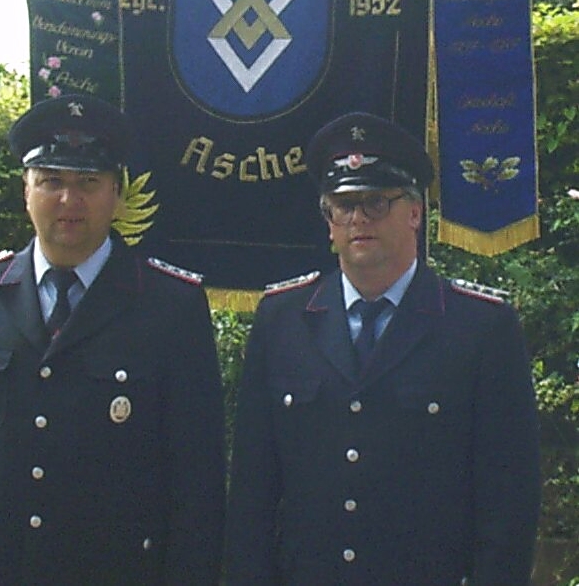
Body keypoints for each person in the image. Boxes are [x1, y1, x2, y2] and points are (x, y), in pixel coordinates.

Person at [0, 93, 226, 586]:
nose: (69, 200)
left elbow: (197, 484)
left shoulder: (170, 306)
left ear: (117, 194)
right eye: (51, 181)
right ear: (25, 190)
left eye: (88, 183)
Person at [225, 111, 540, 586]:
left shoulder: (480, 328)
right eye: (342, 206)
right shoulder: (282, 320)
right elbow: (253, 488)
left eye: (375, 203)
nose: (358, 220)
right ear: (328, 222)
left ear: (414, 212)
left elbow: (508, 499)